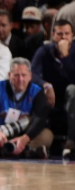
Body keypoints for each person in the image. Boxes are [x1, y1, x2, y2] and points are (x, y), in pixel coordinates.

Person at [0, 58, 52, 157]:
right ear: (9, 75)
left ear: (30, 76)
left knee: (47, 136)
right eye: (16, 75)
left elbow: (39, 118)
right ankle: (27, 151)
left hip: (24, 136)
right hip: (0, 134)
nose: (20, 79)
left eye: (24, 75)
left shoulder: (37, 92)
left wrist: (25, 138)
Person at [31, 20, 75, 157]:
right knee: (35, 88)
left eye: (67, 34)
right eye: (59, 34)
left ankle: (71, 141)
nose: (63, 37)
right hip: (50, 93)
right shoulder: (44, 50)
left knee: (73, 89)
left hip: (71, 95)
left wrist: (65, 56)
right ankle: (34, 141)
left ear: (72, 36)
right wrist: (46, 85)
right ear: (53, 35)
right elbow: (33, 75)